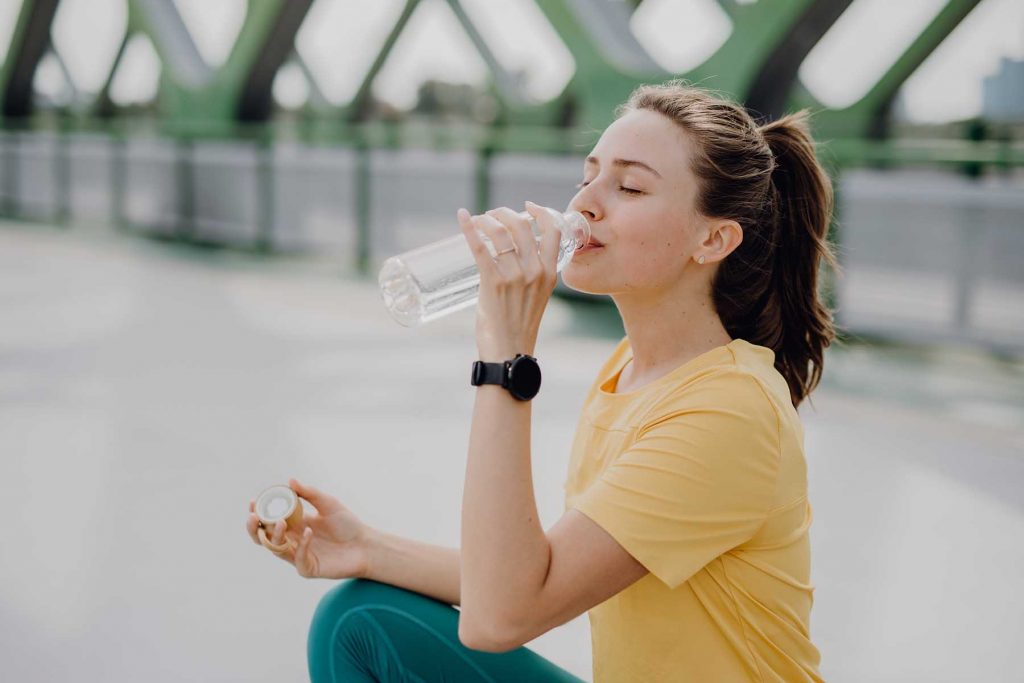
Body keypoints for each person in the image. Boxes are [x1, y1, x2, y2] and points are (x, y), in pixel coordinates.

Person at [245, 79, 838, 682]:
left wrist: (506, 358)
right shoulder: (628, 371)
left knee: (364, 624)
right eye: (589, 177)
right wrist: (367, 549)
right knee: (359, 617)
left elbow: (499, 618)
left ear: (714, 239)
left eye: (629, 186)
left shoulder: (729, 412)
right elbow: (536, 573)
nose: (586, 203)